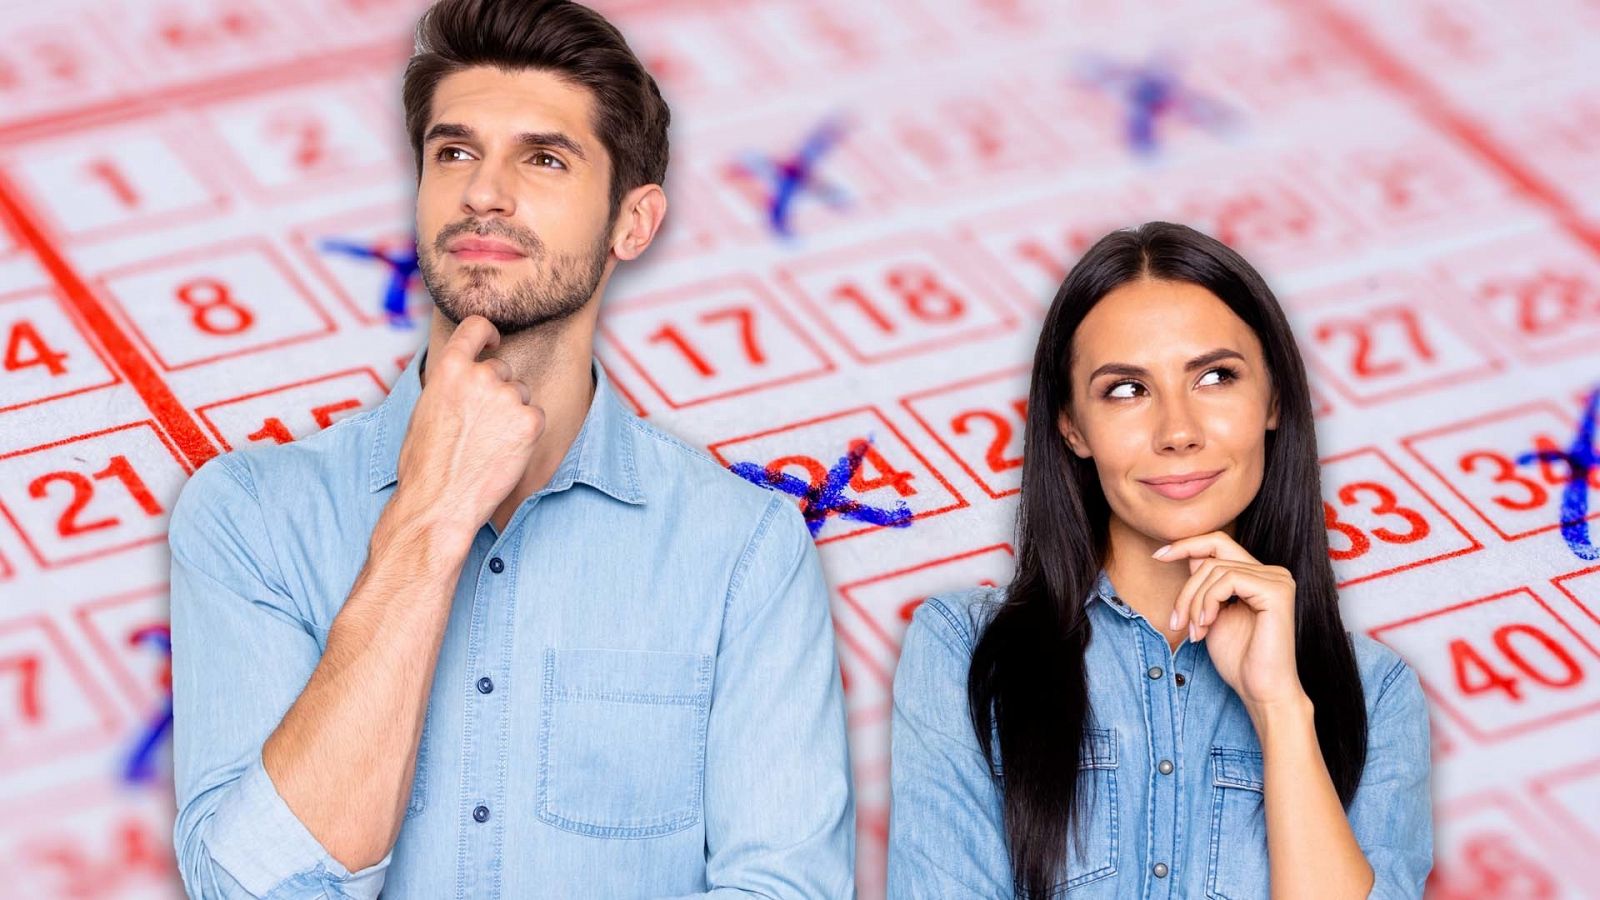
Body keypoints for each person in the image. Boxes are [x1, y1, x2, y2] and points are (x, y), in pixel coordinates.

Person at [167, 1, 854, 896]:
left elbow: (785, 887)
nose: (484, 190)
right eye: (454, 152)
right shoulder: (249, 515)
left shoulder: (745, 551)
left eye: (544, 158)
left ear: (633, 223)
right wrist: (430, 520)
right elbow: (245, 888)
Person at [886, 222, 1432, 898]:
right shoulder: (965, 648)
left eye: (1215, 377)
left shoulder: (1375, 692)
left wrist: (1279, 708)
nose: (1178, 431)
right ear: (1072, 428)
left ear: (1275, 399)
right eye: (1126, 390)